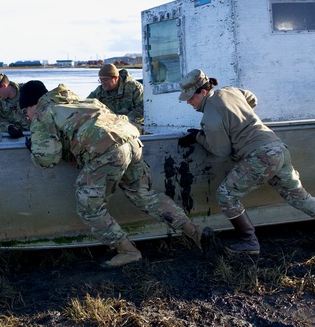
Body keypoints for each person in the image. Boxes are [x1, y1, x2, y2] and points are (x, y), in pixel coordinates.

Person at [20, 80, 207, 269]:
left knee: (89, 207)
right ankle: (195, 232)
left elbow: (48, 159)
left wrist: (34, 149)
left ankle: (128, 251)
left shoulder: (43, 113)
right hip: (132, 142)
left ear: (32, 104)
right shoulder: (83, 101)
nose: (27, 117)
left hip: (108, 151)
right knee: (144, 195)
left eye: (25, 112)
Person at [177, 69, 315, 255]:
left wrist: (199, 137)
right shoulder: (231, 91)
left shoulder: (210, 119)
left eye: (190, 98)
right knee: (298, 196)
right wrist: (241, 117)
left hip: (260, 156)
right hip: (277, 148)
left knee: (226, 195)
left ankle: (249, 242)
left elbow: (221, 151)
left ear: (203, 92)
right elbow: (252, 99)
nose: (189, 102)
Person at [86, 63, 145, 131]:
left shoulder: (134, 87)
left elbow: (142, 109)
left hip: (132, 124)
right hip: (110, 125)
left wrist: (122, 120)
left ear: (116, 78)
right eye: (100, 80)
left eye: (105, 80)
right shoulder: (100, 90)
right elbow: (87, 104)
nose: (102, 83)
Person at [0, 69, 27, 138]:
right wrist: (9, 128)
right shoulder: (1, 102)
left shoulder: (27, 91)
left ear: (4, 86)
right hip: (17, 140)